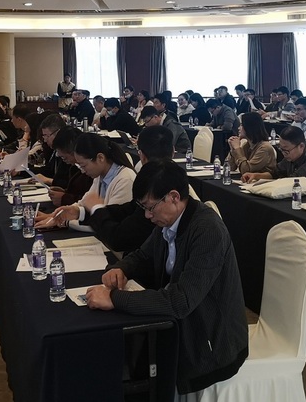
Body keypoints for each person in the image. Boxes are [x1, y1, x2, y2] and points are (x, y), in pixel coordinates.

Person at [84, 161, 248, 395]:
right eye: (143, 207)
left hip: (211, 338)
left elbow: (180, 301)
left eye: (150, 207)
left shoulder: (208, 231)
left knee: (135, 357)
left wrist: (115, 298)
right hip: (184, 322)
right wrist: (123, 268)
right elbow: (144, 254)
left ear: (173, 197)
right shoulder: (170, 220)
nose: (147, 215)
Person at [62, 126, 170, 253]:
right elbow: (123, 210)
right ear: (173, 151)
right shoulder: (100, 175)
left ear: (141, 156)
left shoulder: (134, 182)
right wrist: (79, 212)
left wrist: (93, 209)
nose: (148, 214)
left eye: (83, 165)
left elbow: (117, 238)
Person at [36, 134, 136, 226]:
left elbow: (108, 222)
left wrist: (67, 221)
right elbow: (84, 203)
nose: (83, 171)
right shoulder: (100, 175)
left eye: (83, 166)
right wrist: (64, 213)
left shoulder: (125, 180)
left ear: (100, 158)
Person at [242, 126, 306, 195]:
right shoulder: (291, 155)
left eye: (286, 150)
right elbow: (276, 173)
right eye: (281, 149)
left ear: (301, 146)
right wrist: (256, 175)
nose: (283, 153)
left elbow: (291, 181)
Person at [45, 127, 94, 206]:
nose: (58, 155)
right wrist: (65, 192)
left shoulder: (92, 171)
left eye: (64, 157)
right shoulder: (74, 168)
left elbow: (90, 200)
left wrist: (65, 198)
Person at [32, 115, 70, 187]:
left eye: (46, 135)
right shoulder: (54, 150)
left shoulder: (68, 153)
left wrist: (48, 180)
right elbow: (48, 170)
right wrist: (22, 171)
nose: (45, 140)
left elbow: (70, 184)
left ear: (58, 132)